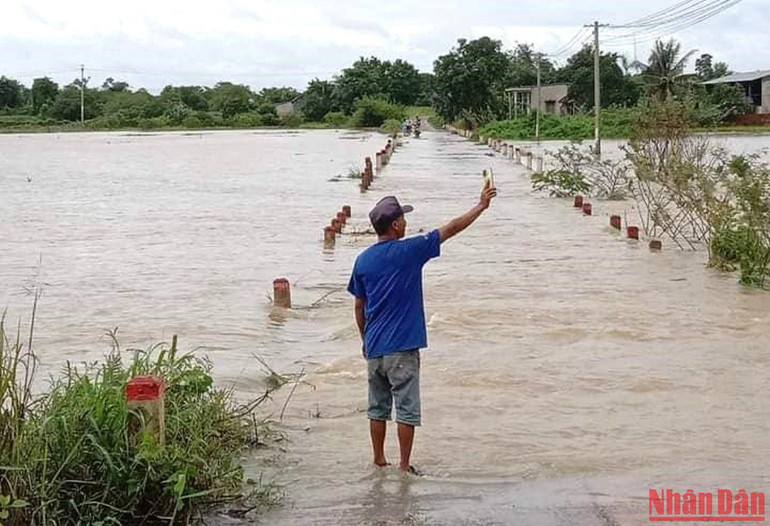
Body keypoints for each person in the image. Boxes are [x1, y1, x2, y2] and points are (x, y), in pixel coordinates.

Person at [347, 181, 498, 474]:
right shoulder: (411, 251)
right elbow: (451, 228)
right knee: (406, 408)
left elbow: (358, 306)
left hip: (375, 348)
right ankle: (404, 466)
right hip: (402, 347)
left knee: (377, 407)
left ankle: (379, 459)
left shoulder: (362, 260)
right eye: (403, 218)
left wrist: (365, 340)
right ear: (394, 225)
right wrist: (481, 205)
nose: (406, 221)